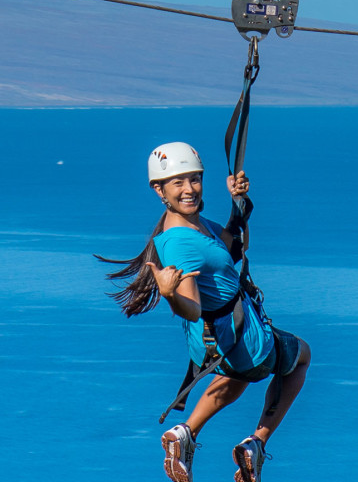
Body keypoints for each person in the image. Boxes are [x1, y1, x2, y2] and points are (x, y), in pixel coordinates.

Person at [98, 142, 310, 482]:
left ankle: (185, 434)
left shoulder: (195, 226)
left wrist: (237, 204)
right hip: (240, 339)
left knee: (235, 379)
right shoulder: (181, 244)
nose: (189, 189)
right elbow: (193, 308)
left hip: (215, 343)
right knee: (301, 358)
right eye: (178, 183)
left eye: (194, 179)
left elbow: (228, 247)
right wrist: (170, 295)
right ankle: (257, 442)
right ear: (159, 190)